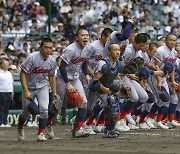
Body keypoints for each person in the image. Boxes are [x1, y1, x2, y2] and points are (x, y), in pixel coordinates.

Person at [17, 38, 57, 141]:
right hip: (29, 87)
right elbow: (22, 73)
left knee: (44, 109)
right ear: (41, 48)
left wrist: (54, 92)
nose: (48, 50)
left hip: (42, 86)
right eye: (46, 47)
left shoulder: (52, 60)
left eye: (50, 48)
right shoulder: (32, 57)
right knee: (26, 113)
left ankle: (41, 133)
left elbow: (51, 76)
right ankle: (20, 126)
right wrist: (25, 90)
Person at [58, 28, 90, 138]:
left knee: (84, 102)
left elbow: (84, 62)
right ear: (77, 38)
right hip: (63, 79)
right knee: (57, 104)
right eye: (83, 35)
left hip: (75, 79)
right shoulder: (71, 49)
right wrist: (67, 83)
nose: (85, 37)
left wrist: (86, 74)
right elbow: (62, 66)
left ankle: (78, 129)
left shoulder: (87, 48)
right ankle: (47, 125)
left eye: (87, 35)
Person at [0, 58, 13, 127]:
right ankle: (1, 122)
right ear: (1, 65)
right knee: (1, 107)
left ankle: (5, 121)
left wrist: (12, 92)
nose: (7, 65)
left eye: (8, 64)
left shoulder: (9, 73)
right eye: (6, 64)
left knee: (6, 107)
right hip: (1, 92)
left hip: (9, 92)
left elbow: (11, 83)